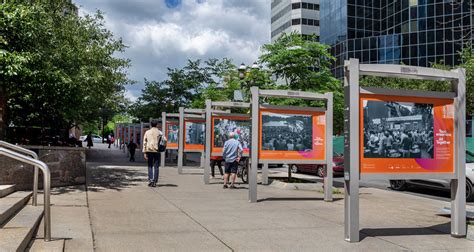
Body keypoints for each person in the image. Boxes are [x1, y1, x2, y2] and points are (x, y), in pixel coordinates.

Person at [143, 119, 166, 187]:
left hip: (149, 150)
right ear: (157, 125)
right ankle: (155, 181)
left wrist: (144, 152)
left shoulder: (147, 132)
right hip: (157, 150)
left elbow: (144, 142)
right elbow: (164, 140)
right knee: (156, 166)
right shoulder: (160, 132)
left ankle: (150, 180)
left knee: (150, 165)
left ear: (151, 125)